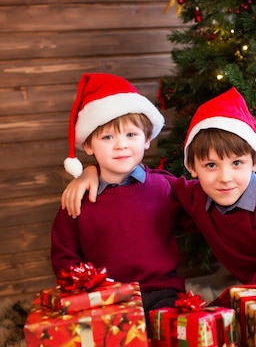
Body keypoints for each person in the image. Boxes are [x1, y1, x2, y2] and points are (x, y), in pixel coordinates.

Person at [62, 87, 256, 286]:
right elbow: (150, 184)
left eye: (237, 163)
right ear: (193, 169)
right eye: (210, 165)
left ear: (255, 162)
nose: (225, 177)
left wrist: (222, 307)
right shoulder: (195, 196)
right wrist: (90, 171)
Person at [51, 73, 189, 325]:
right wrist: (83, 290)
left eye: (131, 135)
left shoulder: (163, 187)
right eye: (107, 137)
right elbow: (64, 257)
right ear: (89, 145)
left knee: (171, 341)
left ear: (147, 139)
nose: (120, 146)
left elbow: (202, 211)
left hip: (162, 292)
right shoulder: (79, 199)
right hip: (107, 299)